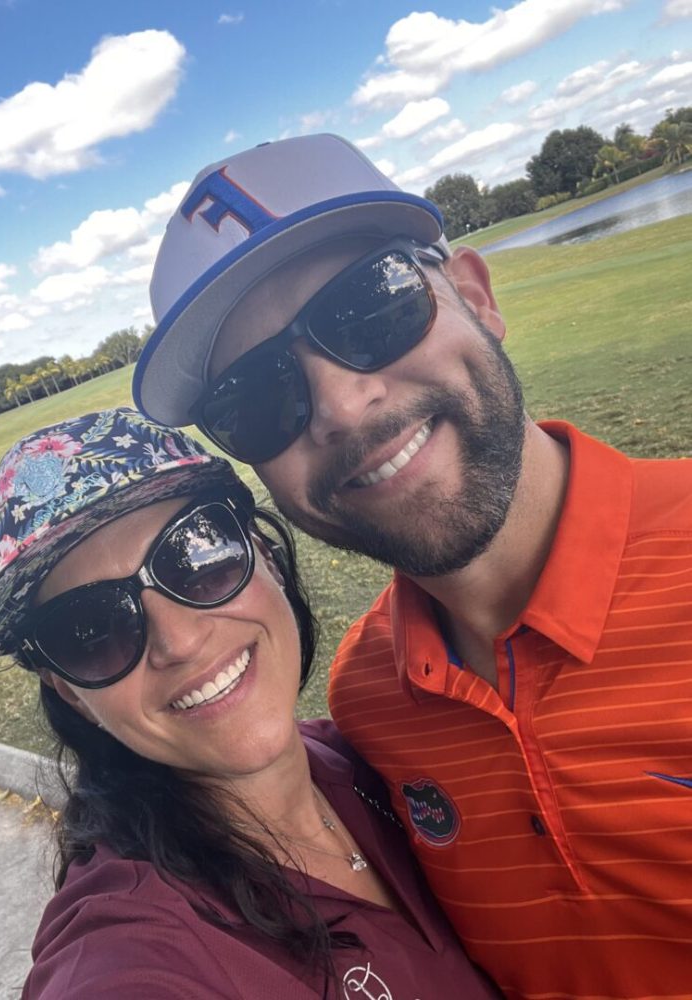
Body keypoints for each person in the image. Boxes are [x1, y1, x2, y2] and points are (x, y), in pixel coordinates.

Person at [132, 134, 692, 999]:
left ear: (474, 293)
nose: (342, 405)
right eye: (258, 396)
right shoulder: (368, 703)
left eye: (371, 307)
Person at [0, 407, 499, 1000]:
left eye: (195, 557)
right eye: (91, 629)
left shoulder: (370, 752)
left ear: (262, 552)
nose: (178, 642)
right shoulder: (131, 950)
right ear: (71, 694)